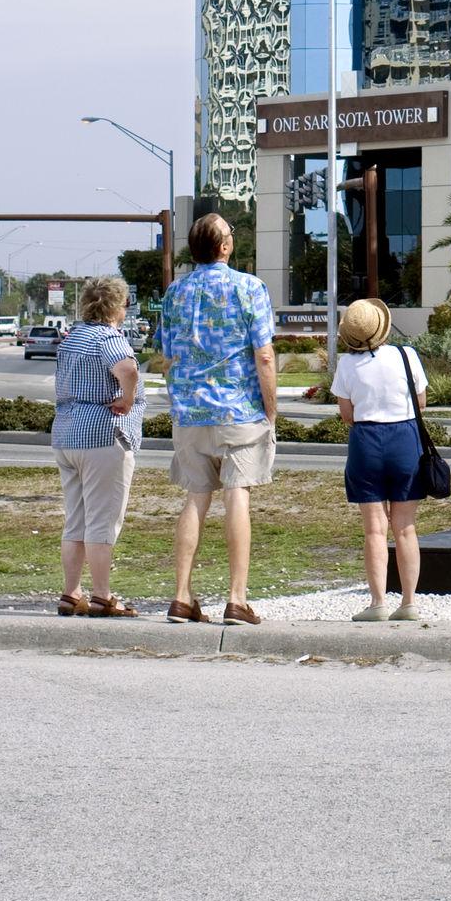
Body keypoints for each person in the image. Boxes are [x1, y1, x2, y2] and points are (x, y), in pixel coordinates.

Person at [159, 212, 277, 624]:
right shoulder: (250, 288)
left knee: (195, 498)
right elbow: (264, 354)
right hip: (238, 410)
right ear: (225, 246)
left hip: (190, 412)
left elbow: (167, 353)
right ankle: (236, 598)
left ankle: (181, 596)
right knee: (236, 495)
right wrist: (271, 408)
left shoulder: (175, 292)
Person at [51, 276, 144, 617]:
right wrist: (128, 400)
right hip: (102, 437)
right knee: (102, 521)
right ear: (117, 306)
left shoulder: (73, 338)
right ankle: (103, 595)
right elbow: (127, 369)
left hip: (67, 435)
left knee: (75, 520)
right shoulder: (108, 337)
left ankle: (71, 592)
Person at [332, 298, 428, 622]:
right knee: (405, 528)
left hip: (366, 440)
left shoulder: (346, 365)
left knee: (374, 529)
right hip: (405, 438)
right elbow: (422, 402)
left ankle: (377, 603)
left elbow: (347, 415)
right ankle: (409, 602)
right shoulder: (406, 356)